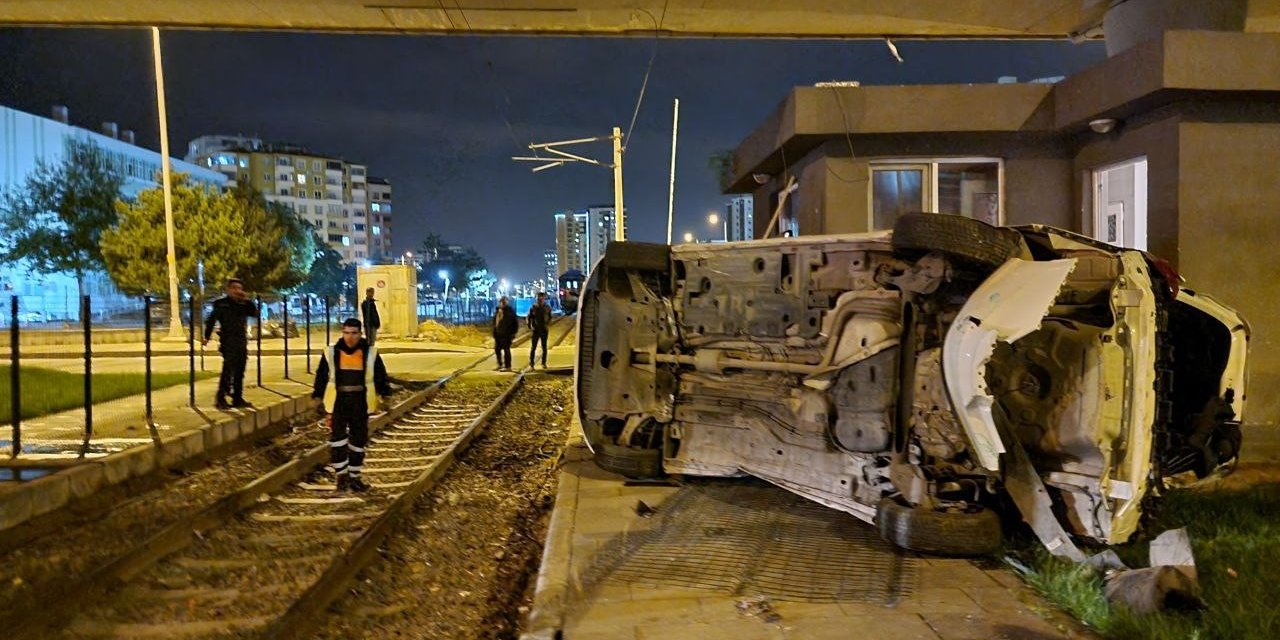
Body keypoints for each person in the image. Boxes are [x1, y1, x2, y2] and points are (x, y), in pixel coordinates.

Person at [312, 318, 392, 492]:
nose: (350, 337)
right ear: (342, 332)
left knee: (358, 440)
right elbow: (321, 376)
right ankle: (341, 477)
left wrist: (385, 395)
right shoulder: (331, 353)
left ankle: (354, 477)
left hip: (360, 402)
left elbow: (380, 375)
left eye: (354, 333)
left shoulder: (370, 353)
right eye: (346, 333)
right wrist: (317, 397)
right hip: (337, 402)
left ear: (360, 334)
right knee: (338, 441)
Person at [202, 278, 259, 410]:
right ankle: (220, 398)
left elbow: (254, 313)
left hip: (241, 340)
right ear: (228, 289)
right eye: (234, 288)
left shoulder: (243, 304)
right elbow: (211, 319)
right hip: (228, 340)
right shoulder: (221, 304)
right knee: (228, 370)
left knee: (240, 370)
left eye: (239, 288)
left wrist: (247, 300)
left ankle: (237, 398)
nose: (237, 291)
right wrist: (206, 336)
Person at [527, 291, 553, 369]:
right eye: (539, 298)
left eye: (542, 298)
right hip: (536, 330)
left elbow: (550, 316)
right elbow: (529, 317)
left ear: (544, 298)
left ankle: (543, 363)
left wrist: (547, 323)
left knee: (544, 347)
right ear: (537, 298)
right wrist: (529, 325)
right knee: (533, 347)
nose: (540, 299)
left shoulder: (547, 307)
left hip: (544, 330)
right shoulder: (533, 307)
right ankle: (531, 364)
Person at [492, 296, 518, 371]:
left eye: (504, 301)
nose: (503, 303)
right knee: (497, 349)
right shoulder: (498, 310)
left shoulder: (510, 311)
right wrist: (494, 331)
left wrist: (513, 333)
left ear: (507, 302)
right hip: (498, 333)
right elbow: (495, 321)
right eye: (501, 301)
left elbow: (515, 323)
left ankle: (508, 366)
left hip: (507, 334)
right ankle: (500, 364)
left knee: (506, 350)